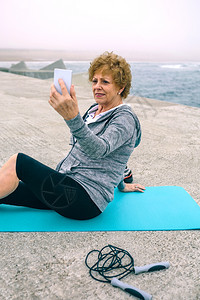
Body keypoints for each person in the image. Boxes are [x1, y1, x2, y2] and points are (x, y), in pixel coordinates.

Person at [0, 51, 145, 220]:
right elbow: (118, 157)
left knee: (19, 162)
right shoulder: (94, 110)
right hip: (65, 189)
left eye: (105, 82)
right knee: (8, 188)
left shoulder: (124, 118)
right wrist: (122, 185)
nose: (97, 86)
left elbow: (101, 149)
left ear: (121, 87)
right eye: (95, 81)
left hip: (84, 201)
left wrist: (72, 118)